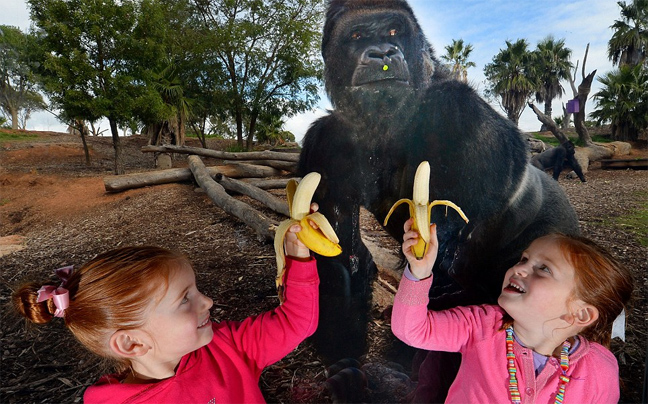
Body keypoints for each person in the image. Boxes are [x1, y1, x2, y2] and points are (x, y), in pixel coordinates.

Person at [12, 222, 319, 403]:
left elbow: (296, 322)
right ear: (132, 343)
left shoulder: (230, 348)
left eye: (196, 290)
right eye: (185, 299)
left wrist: (298, 259)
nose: (208, 301)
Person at [391, 219, 633, 404]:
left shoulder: (599, 370)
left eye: (544, 269)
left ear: (579, 315)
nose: (520, 269)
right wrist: (419, 272)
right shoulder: (481, 325)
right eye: (523, 259)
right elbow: (413, 330)